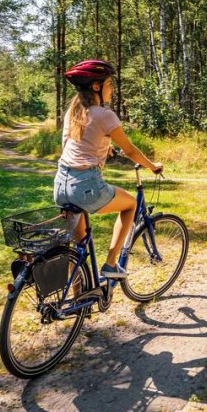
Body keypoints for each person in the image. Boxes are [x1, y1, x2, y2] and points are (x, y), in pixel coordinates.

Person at [55, 59, 163, 281]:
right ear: (96, 86)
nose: (112, 89)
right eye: (109, 84)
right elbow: (130, 150)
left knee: (79, 248)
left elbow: (70, 146)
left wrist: (104, 146)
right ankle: (111, 264)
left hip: (61, 185)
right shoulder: (105, 114)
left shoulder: (73, 112)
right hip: (86, 187)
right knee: (130, 205)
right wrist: (152, 166)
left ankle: (81, 297)